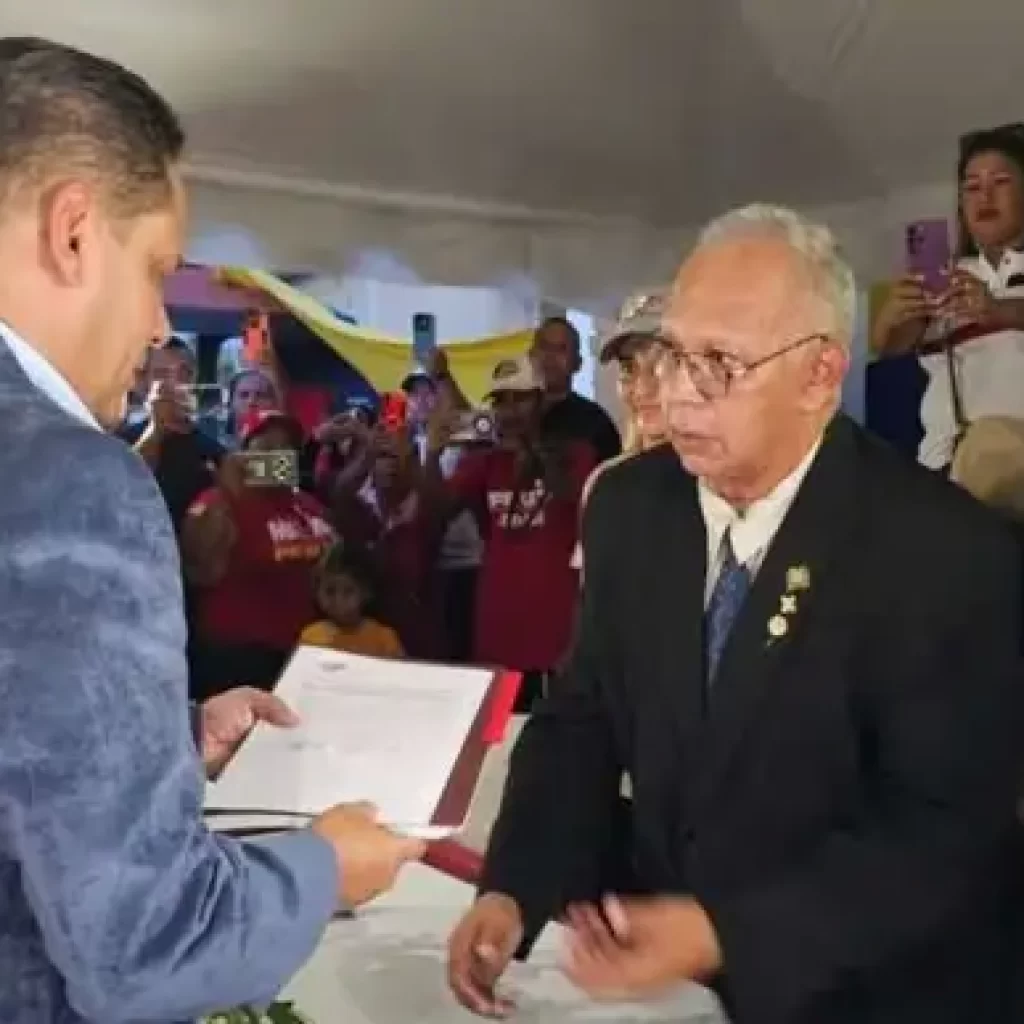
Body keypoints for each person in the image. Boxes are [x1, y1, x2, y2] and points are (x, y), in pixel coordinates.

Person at [446, 205, 1024, 1024]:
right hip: (672, 994)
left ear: (820, 375)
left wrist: (726, 933)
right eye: (674, 356)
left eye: (720, 363)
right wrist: (514, 887)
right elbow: (582, 719)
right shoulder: (631, 509)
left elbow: (941, 833)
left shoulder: (942, 550)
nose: (678, 394)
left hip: (867, 994)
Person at [0, 39, 423, 1024]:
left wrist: (167, 743)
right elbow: (146, 945)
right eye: (156, 270)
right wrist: (324, 867)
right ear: (74, 232)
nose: (159, 324)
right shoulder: (71, 478)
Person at [423, 354, 593, 709]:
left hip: (556, 639)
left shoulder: (577, 454)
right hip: (497, 636)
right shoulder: (484, 462)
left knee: (554, 734)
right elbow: (437, 512)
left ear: (542, 402)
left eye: (521, 399)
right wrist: (432, 456)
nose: (510, 411)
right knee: (499, 737)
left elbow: (573, 497)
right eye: (501, 401)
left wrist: (534, 454)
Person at [873, 129, 1024, 472]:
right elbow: (890, 350)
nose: (985, 196)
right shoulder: (948, 277)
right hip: (946, 467)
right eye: (971, 187)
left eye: (1000, 182)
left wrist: (998, 310)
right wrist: (891, 318)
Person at [183, 409, 335, 698]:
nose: (277, 455)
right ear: (244, 452)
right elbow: (199, 569)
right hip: (240, 656)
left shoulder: (309, 505)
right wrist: (230, 488)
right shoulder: (217, 501)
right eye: (266, 447)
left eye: (285, 448)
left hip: (303, 654)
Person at [571, 288, 669, 575]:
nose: (643, 388)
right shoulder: (605, 484)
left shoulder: (726, 484)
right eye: (629, 368)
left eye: (661, 366)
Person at [118, 334, 225, 530]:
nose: (175, 383)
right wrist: (156, 429)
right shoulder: (118, 443)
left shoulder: (215, 450)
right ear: (142, 384)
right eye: (161, 374)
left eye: (184, 373)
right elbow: (121, 490)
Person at [299, 542, 405, 658]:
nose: (338, 600)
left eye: (348, 591)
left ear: (366, 592)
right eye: (330, 591)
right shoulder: (310, 637)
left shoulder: (384, 639)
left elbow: (399, 668)